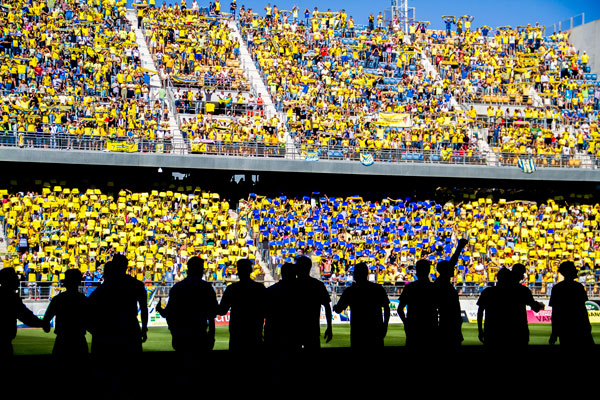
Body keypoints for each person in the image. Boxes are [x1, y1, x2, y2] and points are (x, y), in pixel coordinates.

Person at [156, 256, 217, 355]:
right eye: (202, 269)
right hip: (200, 337)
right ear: (200, 270)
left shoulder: (177, 288)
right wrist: (211, 337)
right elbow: (212, 314)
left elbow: (167, 314)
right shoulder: (207, 287)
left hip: (181, 338)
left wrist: (159, 309)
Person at [333, 262, 390, 351]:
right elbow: (387, 308)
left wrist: (334, 307)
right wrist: (385, 325)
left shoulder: (350, 291)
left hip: (358, 333)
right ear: (367, 274)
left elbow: (338, 309)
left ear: (355, 275)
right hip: (375, 331)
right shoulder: (378, 288)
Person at [217, 258, 266, 352]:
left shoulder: (231, 289)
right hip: (255, 332)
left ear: (238, 271)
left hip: (237, 333)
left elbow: (222, 311)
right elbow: (267, 311)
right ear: (251, 271)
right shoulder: (260, 288)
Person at [42, 268, 89, 360]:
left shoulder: (57, 299)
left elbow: (46, 322)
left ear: (65, 282)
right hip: (79, 341)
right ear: (79, 282)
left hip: (62, 341)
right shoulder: (84, 300)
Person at [0, 267, 44, 357]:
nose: (17, 280)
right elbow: (26, 317)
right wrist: (43, 323)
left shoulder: (10, 296)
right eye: (15, 277)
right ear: (8, 280)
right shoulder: (11, 297)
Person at [549, 261, 594, 348]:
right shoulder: (579, 287)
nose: (576, 271)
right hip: (580, 328)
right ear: (568, 271)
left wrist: (554, 332)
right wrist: (587, 327)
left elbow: (555, 313)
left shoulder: (557, 288)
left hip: (565, 329)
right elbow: (582, 310)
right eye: (574, 269)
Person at [435, 238, 468, 349]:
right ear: (445, 270)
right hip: (448, 324)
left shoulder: (441, 283)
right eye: (450, 268)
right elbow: (453, 261)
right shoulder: (441, 284)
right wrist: (459, 247)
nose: (453, 269)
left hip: (450, 323)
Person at [294, 255, 332, 351]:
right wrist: (329, 327)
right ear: (309, 268)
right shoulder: (318, 285)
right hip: (312, 330)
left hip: (294, 330)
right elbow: (327, 307)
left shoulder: (290, 286)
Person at [398, 259, 438, 349]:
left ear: (417, 271)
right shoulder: (434, 288)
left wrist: (406, 322)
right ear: (428, 271)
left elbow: (400, 309)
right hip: (430, 327)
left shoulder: (410, 287)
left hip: (413, 327)